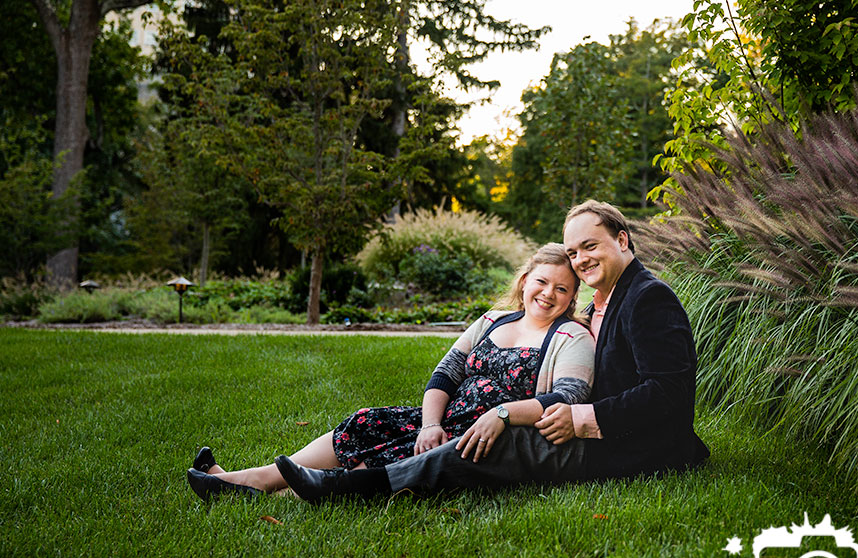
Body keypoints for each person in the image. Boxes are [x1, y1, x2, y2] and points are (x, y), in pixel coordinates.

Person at [274, 200, 710, 503]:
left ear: (623, 240)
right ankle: (287, 478)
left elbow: (669, 391)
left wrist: (580, 416)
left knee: (500, 441)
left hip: (638, 447)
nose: (580, 260)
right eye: (573, 251)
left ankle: (353, 488)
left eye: (589, 247)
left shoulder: (648, 296)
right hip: (588, 428)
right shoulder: (604, 300)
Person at [186, 243, 594, 503]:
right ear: (525, 281)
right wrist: (429, 424)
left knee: (383, 460)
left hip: (482, 439)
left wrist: (501, 414)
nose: (548, 294)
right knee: (365, 421)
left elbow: (569, 398)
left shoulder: (571, 336)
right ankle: (250, 481)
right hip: (444, 423)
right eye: (542, 282)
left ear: (573, 296)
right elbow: (444, 375)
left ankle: (252, 484)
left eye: (562, 289)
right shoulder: (493, 319)